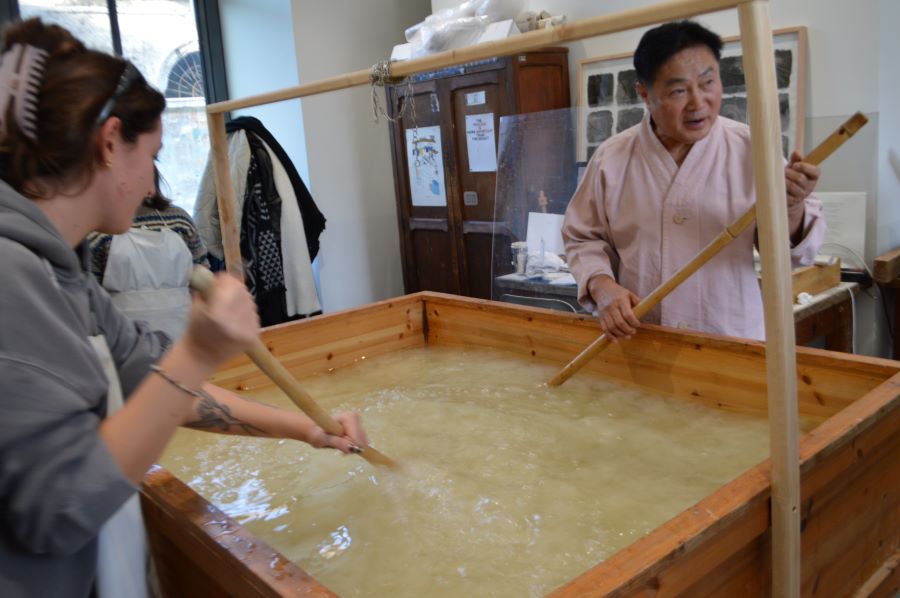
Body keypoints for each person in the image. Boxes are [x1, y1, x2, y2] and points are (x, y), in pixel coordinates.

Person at [0, 18, 368, 598]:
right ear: (109, 142)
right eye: (151, 154)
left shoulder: (61, 272)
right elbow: (58, 507)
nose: (152, 179)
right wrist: (198, 351)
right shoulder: (11, 277)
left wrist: (307, 430)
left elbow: (157, 386)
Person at [562, 20, 825, 341]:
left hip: (730, 337)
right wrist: (602, 286)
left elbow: (792, 257)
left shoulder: (752, 148)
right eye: (677, 90)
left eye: (708, 82)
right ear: (644, 93)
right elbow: (582, 237)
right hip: (643, 338)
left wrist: (793, 206)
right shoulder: (611, 158)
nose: (698, 103)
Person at [88, 168, 209, 340]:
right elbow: (91, 299)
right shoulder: (99, 227)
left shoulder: (179, 219)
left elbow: (201, 274)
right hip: (125, 342)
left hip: (185, 335)